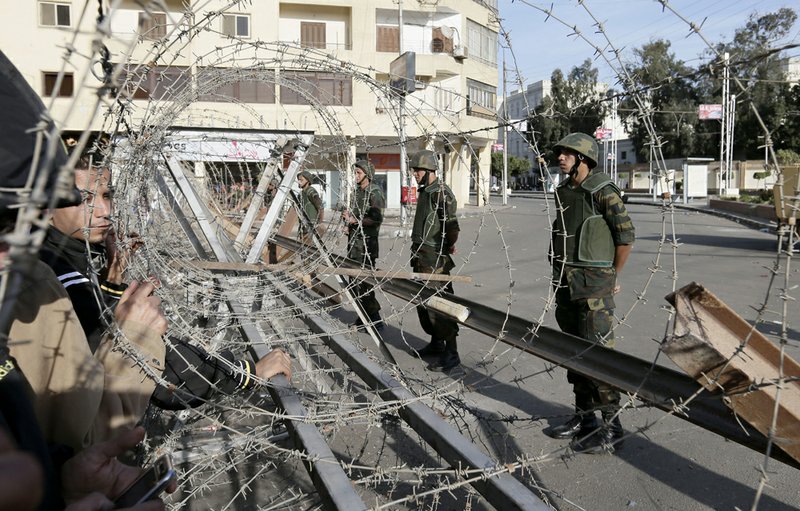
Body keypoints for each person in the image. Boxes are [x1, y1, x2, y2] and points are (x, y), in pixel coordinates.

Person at [40, 154, 293, 411]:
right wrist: (246, 373)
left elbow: (103, 323)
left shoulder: (65, 254)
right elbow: (157, 371)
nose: (105, 212)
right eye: (84, 199)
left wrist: (114, 275)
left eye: (107, 196)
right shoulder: (58, 278)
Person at [543, 132, 635, 454]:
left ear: (583, 158)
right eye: (561, 153)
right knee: (574, 354)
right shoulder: (565, 192)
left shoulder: (603, 191)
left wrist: (612, 276)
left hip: (594, 285)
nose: (561, 157)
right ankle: (585, 418)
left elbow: (625, 237)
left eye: (567, 153)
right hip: (567, 283)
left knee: (599, 356)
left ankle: (613, 426)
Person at [408, 150, 461, 372]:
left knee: (440, 305)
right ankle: (437, 343)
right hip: (421, 256)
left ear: (429, 170)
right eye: (414, 170)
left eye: (418, 170)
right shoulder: (426, 191)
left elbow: (452, 226)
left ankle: (451, 353)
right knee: (425, 304)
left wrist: (448, 245)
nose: (415, 174)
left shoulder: (441, 193)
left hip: (434, 258)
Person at [342, 160, 385, 330]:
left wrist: (356, 221)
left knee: (364, 283)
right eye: (355, 173)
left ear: (367, 174)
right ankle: (363, 315)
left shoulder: (374, 192)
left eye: (358, 173)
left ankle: (374, 318)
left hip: (367, 243)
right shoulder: (357, 192)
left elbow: (376, 219)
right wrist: (348, 221)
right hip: (355, 242)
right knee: (354, 282)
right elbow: (354, 213)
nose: (355, 176)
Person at [296, 170, 323, 241]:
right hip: (303, 225)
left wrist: (320, 222)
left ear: (308, 181)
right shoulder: (301, 194)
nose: (299, 182)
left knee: (310, 248)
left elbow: (320, 206)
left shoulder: (310, 191)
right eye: (298, 180)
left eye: (301, 180)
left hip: (311, 226)